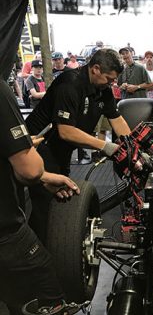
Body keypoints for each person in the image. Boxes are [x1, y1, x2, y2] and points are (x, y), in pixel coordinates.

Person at [25, 48, 132, 243]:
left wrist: (133, 147)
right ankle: (38, 253)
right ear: (96, 69)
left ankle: (52, 249)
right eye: (109, 78)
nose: (112, 83)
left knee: (60, 201)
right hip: (37, 148)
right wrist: (105, 146)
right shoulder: (70, 84)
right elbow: (65, 131)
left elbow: (117, 120)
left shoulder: (103, 90)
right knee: (43, 206)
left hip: (61, 151)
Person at [0, 79, 82, 315]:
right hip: (4, 228)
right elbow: (30, 170)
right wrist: (27, 151)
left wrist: (43, 177)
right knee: (43, 278)